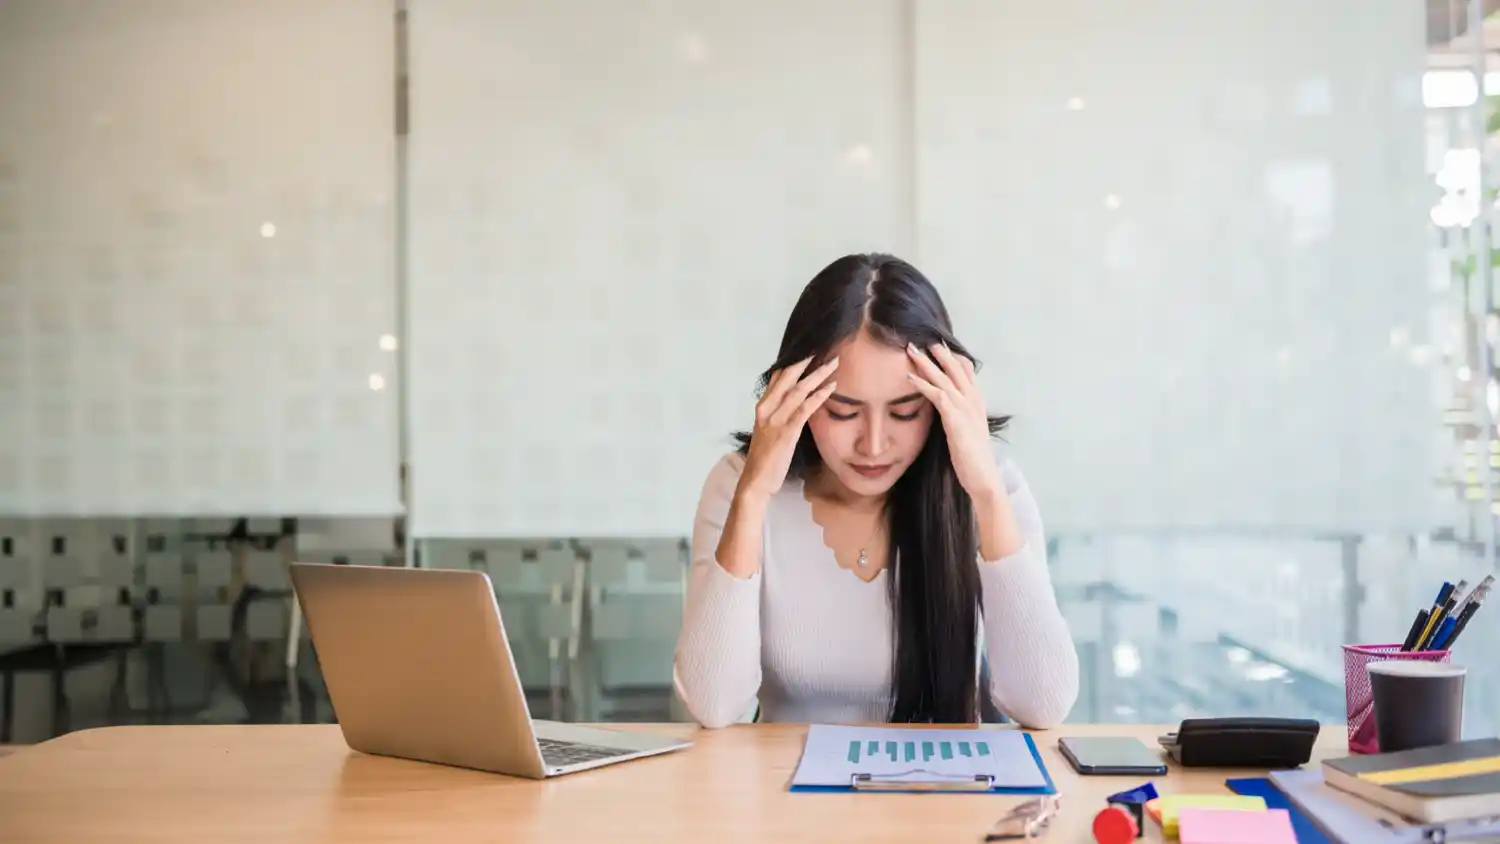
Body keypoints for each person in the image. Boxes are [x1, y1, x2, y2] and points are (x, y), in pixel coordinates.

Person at [673, 253, 1079, 729]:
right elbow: (711, 704)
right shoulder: (739, 486)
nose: (873, 443)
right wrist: (754, 494)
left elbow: (1044, 704)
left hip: (942, 796)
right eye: (843, 411)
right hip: (783, 798)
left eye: (905, 412)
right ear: (794, 397)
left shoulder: (992, 486)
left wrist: (986, 495)